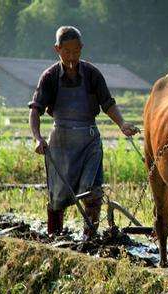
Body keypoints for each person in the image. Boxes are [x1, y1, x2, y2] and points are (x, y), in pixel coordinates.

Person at [28, 26, 138, 239]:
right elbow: (35, 110)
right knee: (57, 197)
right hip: (61, 142)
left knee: (93, 193)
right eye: (67, 52)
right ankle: (54, 236)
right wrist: (38, 138)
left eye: (76, 51)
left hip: (89, 141)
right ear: (57, 49)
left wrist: (122, 123)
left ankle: (89, 237)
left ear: (81, 48)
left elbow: (108, 103)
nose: (72, 57)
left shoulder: (92, 74)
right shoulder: (49, 77)